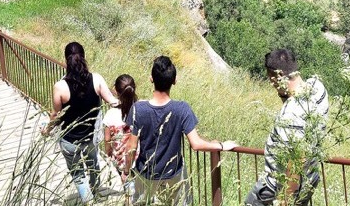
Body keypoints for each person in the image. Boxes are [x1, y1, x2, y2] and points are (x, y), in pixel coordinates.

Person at [128, 56, 236, 205]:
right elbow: (196, 144)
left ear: (151, 79)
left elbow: (131, 147)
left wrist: (126, 171)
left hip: (145, 173)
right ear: (174, 80)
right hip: (173, 174)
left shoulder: (138, 109)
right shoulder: (182, 109)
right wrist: (222, 146)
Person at [245, 48, 330, 206]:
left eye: (271, 79)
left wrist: (286, 199)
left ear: (277, 76)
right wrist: (284, 94)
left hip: (278, 185)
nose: (271, 84)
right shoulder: (317, 87)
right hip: (310, 178)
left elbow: (297, 157)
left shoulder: (292, 112)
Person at [50, 42, 121, 204]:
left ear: (66, 60)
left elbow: (55, 116)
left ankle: (88, 201)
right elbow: (113, 102)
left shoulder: (60, 86)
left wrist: (46, 130)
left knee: (78, 174)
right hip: (91, 138)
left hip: (69, 141)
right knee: (93, 164)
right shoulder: (96, 79)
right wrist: (132, 102)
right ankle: (96, 191)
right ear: (84, 57)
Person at [103, 74, 139, 202]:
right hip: (140, 156)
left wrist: (108, 151)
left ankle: (129, 201)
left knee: (127, 183)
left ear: (117, 92)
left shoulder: (110, 114)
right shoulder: (141, 110)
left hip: (121, 158)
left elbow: (107, 139)